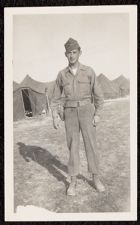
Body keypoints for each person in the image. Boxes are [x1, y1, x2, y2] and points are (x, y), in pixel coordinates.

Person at [51, 38, 105, 196]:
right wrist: (55, 116)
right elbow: (55, 98)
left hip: (87, 112)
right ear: (65, 55)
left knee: (91, 146)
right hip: (70, 114)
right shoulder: (62, 74)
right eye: (69, 53)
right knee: (72, 147)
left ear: (80, 53)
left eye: (74, 52)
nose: (72, 55)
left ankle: (96, 179)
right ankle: (73, 182)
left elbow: (99, 95)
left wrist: (98, 114)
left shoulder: (89, 71)